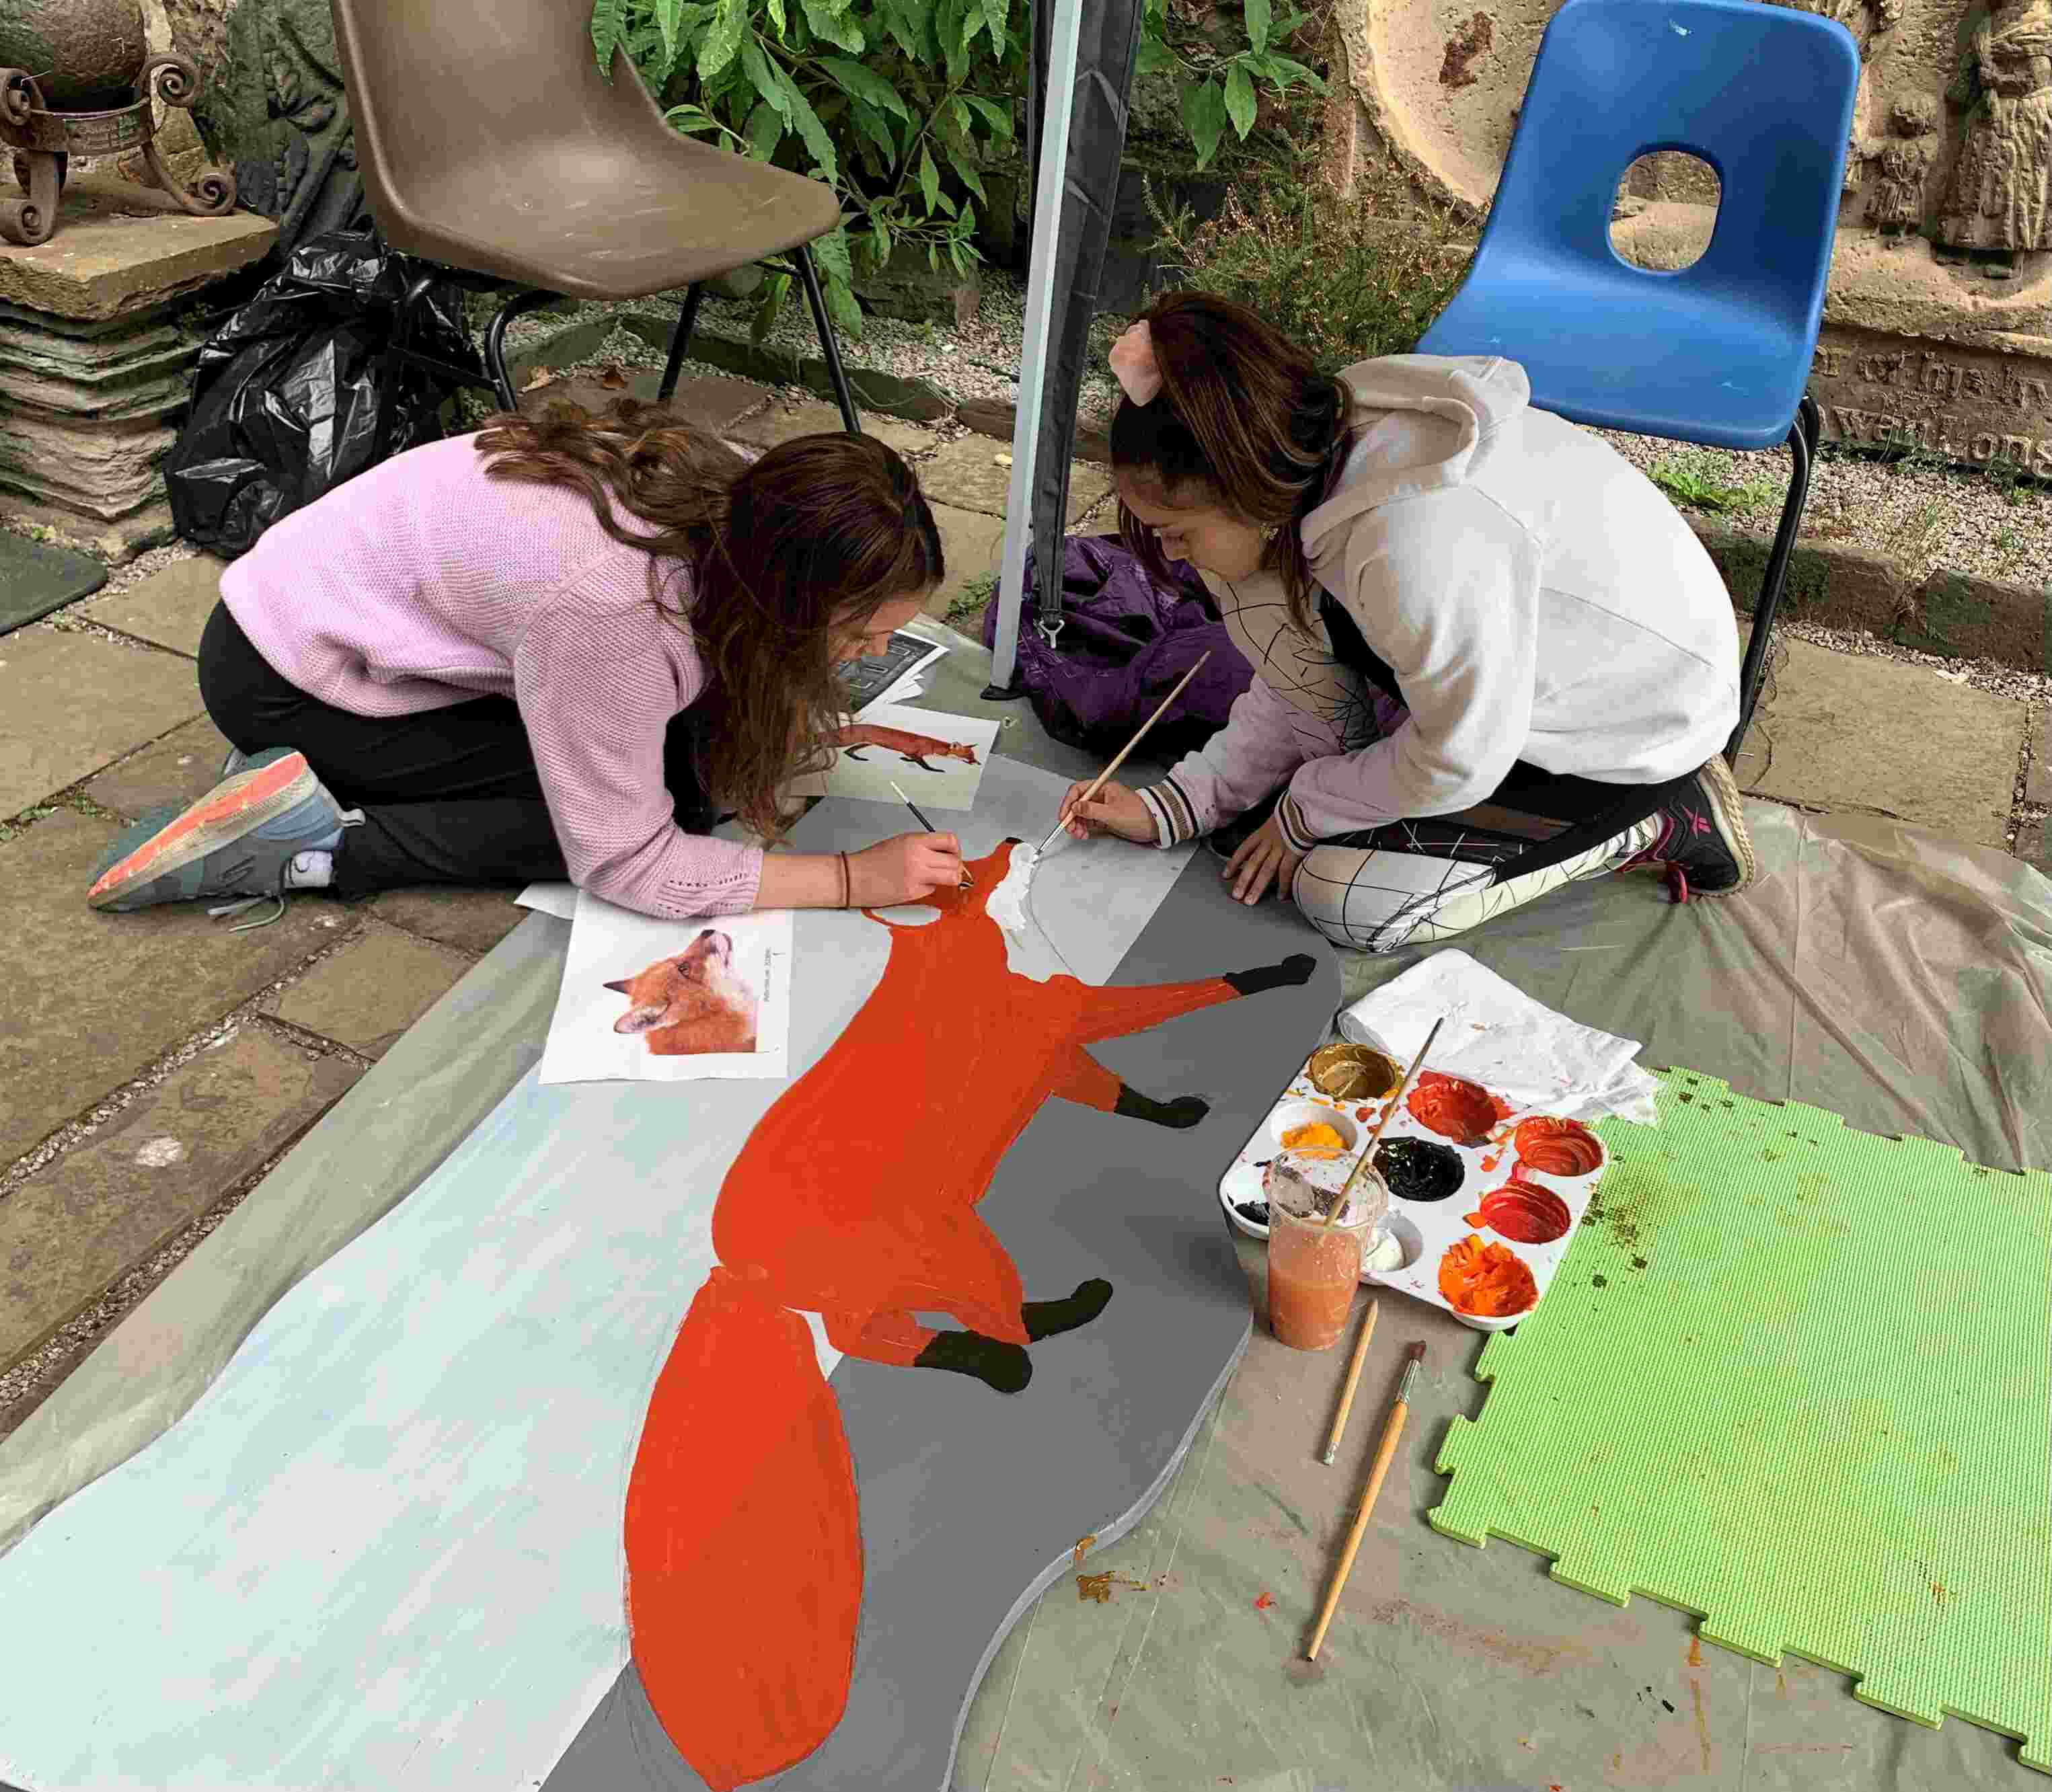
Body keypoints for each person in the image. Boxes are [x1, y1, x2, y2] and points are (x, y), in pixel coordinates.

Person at [1059, 292, 1755, 955]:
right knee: (1335, 783)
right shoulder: (1303, 463)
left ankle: (1667, 814)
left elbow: (1459, 757)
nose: (1171, 555)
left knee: (1344, 897)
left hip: (1636, 723)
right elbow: (1295, 672)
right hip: (1508, 684)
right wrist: (1177, 804)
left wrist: (1306, 807)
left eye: (1176, 533)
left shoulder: (1414, 542)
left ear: (1246, 494)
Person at [85, 402, 966, 923]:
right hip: (288, 679)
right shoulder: (622, 609)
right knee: (660, 812)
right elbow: (627, 865)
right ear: (781, 598)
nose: (874, 654)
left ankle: (346, 788)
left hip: (322, 610)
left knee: (690, 758)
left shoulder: (745, 503)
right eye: (857, 634)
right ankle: (319, 846)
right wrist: (851, 879)